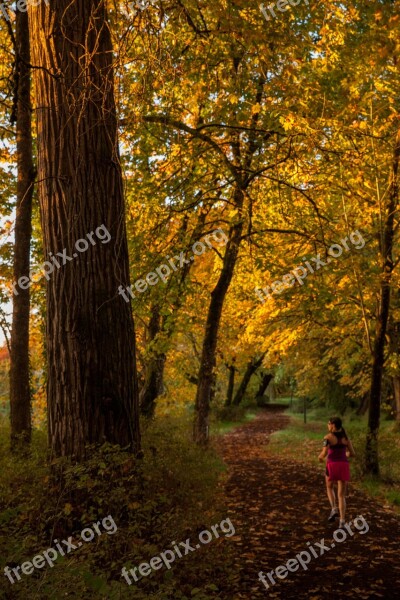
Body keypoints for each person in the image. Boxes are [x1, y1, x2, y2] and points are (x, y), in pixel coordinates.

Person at [318, 416, 355, 528]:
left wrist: (319, 457)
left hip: (332, 466)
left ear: (333, 425)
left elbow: (324, 453)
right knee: (341, 495)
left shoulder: (327, 437)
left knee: (329, 487)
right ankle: (342, 521)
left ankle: (334, 508)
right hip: (343, 466)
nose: (327, 425)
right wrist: (345, 454)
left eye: (328, 423)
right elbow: (352, 453)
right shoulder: (346, 438)